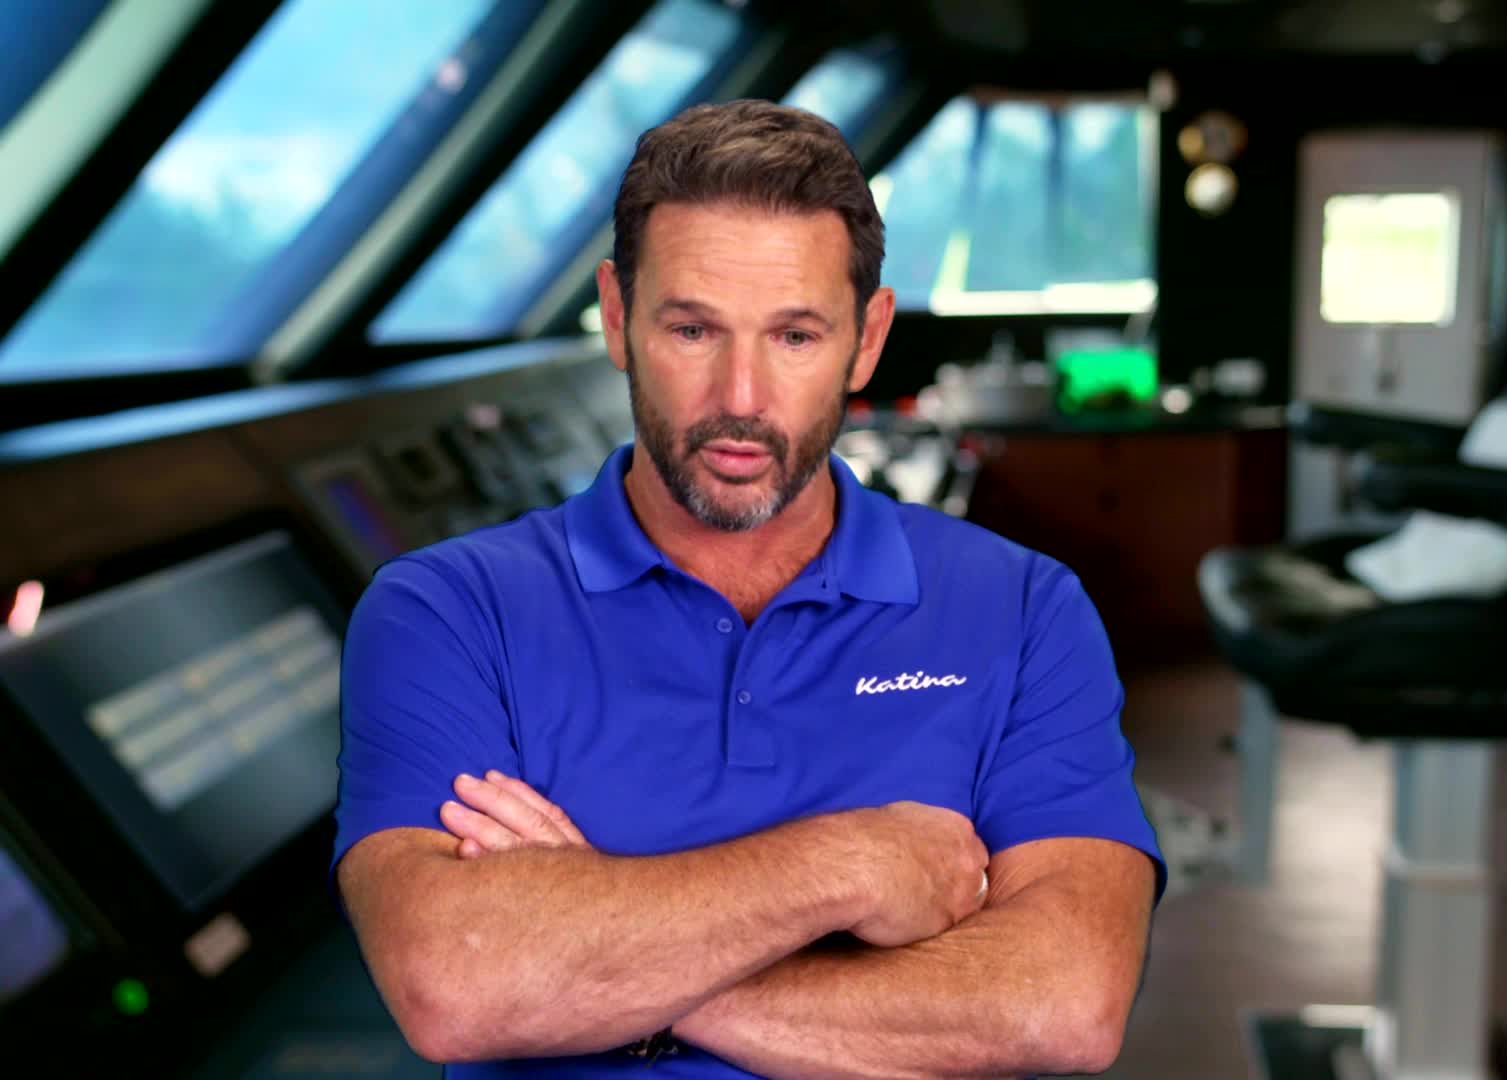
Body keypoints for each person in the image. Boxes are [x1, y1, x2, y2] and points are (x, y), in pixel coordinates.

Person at [330, 99, 1165, 1078]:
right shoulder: (444, 613)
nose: (740, 398)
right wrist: (849, 864)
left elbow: (1063, 1006)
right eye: (693, 328)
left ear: (867, 339)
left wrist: (594, 968)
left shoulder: (1024, 611)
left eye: (795, 337)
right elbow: (456, 988)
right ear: (616, 317)